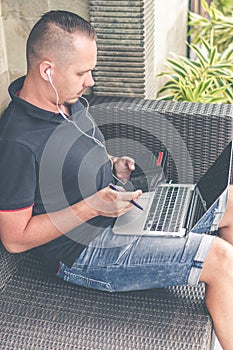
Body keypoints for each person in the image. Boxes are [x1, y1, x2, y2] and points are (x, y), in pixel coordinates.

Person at [0, 10, 233, 349]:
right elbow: (14, 239)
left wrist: (112, 165)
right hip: (84, 253)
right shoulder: (19, 141)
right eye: (83, 72)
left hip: (121, 211)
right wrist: (91, 206)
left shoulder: (66, 101)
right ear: (47, 70)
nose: (90, 81)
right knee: (219, 258)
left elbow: (74, 156)